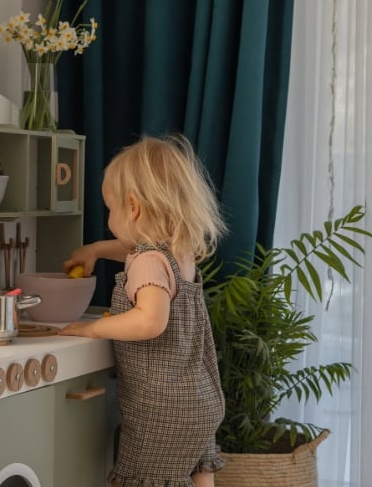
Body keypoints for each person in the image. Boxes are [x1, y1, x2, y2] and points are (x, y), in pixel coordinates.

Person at [58, 134, 227, 486]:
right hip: (200, 399)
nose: (110, 217)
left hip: (161, 410)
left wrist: (92, 329)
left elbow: (150, 320)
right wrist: (95, 250)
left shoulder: (148, 263)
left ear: (133, 208)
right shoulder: (178, 253)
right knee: (197, 470)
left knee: (145, 479)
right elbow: (133, 248)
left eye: (111, 209)